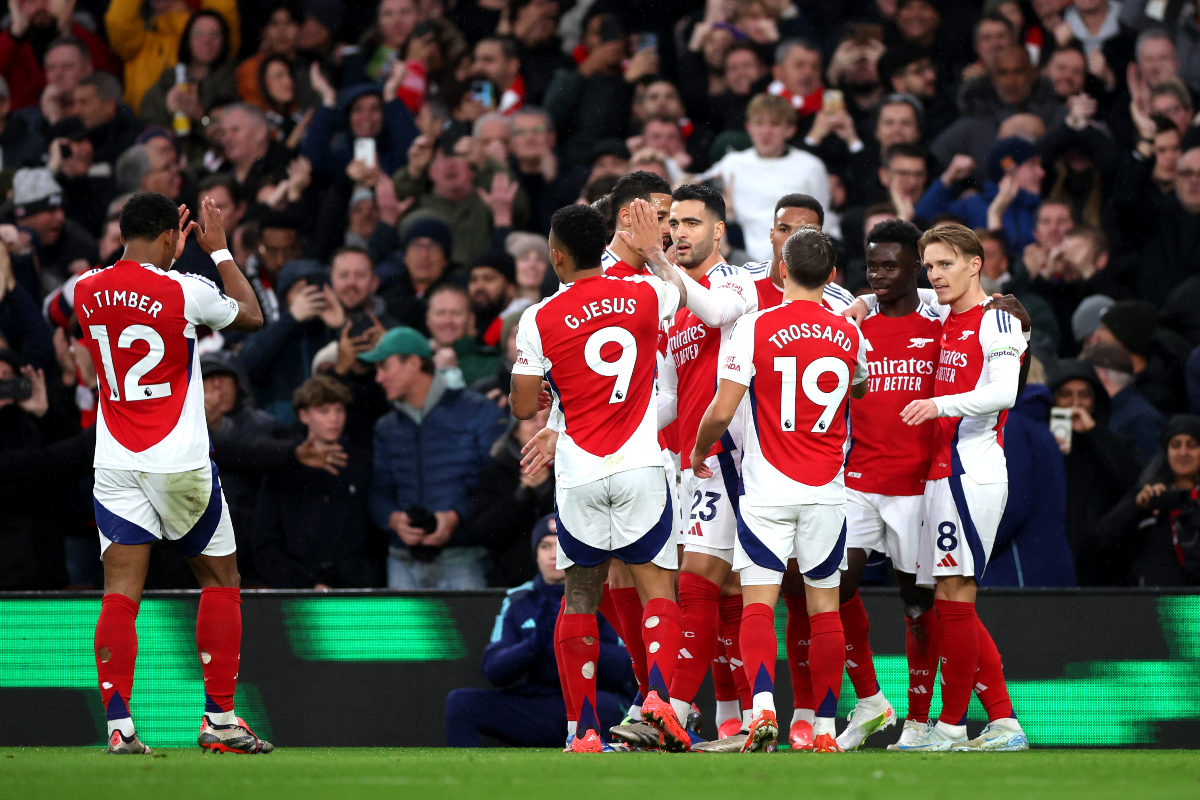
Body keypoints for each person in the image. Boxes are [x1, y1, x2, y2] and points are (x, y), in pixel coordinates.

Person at [72, 192, 267, 755]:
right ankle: (221, 721)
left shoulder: (87, 288)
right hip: (177, 462)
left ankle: (119, 726)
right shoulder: (183, 288)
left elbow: (117, 290)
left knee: (120, 595)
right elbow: (251, 316)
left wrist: (159, 255)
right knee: (220, 582)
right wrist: (220, 251)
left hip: (114, 462)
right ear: (169, 238)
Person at [509, 202, 689, 753]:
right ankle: (658, 701)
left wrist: (548, 393)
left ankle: (582, 729)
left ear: (557, 255)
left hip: (579, 473)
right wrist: (654, 248)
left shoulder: (539, 316)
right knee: (658, 589)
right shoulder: (644, 293)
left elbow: (522, 407)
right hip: (639, 464)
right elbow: (680, 293)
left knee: (580, 598)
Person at [689, 226, 868, 753]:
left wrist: (699, 450)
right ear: (832, 276)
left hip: (767, 490)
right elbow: (857, 385)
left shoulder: (754, 326)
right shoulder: (849, 333)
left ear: (783, 271)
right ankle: (827, 729)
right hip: (825, 493)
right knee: (824, 611)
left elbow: (722, 410)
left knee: (758, 607)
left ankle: (763, 710)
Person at [852, 224, 1030, 752]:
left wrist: (940, 405)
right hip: (939, 475)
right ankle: (999, 721)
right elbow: (898, 290)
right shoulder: (948, 314)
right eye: (929, 266)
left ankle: (951, 727)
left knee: (954, 600)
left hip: (970, 471)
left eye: (945, 264)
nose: (935, 275)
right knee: (952, 603)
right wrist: (863, 302)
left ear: (976, 264)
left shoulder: (997, 318)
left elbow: (1005, 391)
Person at [834, 219, 944, 752]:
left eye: (889, 266)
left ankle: (920, 723)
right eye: (871, 265)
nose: (877, 275)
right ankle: (873, 699)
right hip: (858, 480)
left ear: (915, 269)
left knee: (918, 604)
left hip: (917, 487)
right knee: (835, 589)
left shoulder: (940, 320)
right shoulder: (850, 326)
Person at [444, 515, 634, 747]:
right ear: (535, 553)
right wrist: (533, 646)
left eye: (560, 545)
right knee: (460, 702)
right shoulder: (519, 599)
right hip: (537, 704)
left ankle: (593, 753)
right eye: (545, 546)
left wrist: (578, 642)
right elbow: (493, 670)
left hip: (595, 701)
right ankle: (462, 778)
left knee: (606, 705)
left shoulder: (602, 594)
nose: (553, 554)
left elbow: (626, 669)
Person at [363, 326, 506, 591]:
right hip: (402, 561)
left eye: (385, 367)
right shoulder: (386, 427)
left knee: (470, 634)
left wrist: (455, 516)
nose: (379, 377)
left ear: (415, 363)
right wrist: (393, 519)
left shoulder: (478, 412)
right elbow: (377, 492)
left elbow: (498, 485)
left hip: (466, 560)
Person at [252, 376, 379, 589]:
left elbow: (373, 538)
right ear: (304, 415)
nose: (334, 418)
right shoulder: (283, 468)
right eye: (324, 411)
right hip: (295, 591)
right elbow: (265, 541)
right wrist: (305, 584)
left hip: (353, 591)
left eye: (339, 410)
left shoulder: (362, 465)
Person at [701, 93, 832, 264]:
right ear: (748, 127)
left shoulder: (810, 166)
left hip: (796, 256)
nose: (766, 131)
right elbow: (692, 184)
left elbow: (823, 217)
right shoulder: (733, 163)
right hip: (741, 257)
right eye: (759, 123)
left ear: (790, 129)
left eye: (775, 124)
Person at [1049, 358, 1146, 585]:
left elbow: (1133, 480)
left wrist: (1094, 432)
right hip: (1055, 559)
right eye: (1066, 394)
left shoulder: (1115, 444)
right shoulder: (1040, 445)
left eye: (1084, 395)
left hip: (1104, 565)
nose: (1076, 403)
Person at [1096, 414, 1200, 586]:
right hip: (1154, 603)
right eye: (1175, 445)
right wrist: (1137, 506)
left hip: (1193, 605)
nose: (1183, 452)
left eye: (1193, 445)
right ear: (1166, 451)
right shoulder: (1148, 492)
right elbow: (1102, 541)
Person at [104, 0, 239, 113]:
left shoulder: (210, 40)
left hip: (204, 132)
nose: (159, 2)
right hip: (146, 131)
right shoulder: (141, 43)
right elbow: (118, 21)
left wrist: (183, 14)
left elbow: (223, 12)